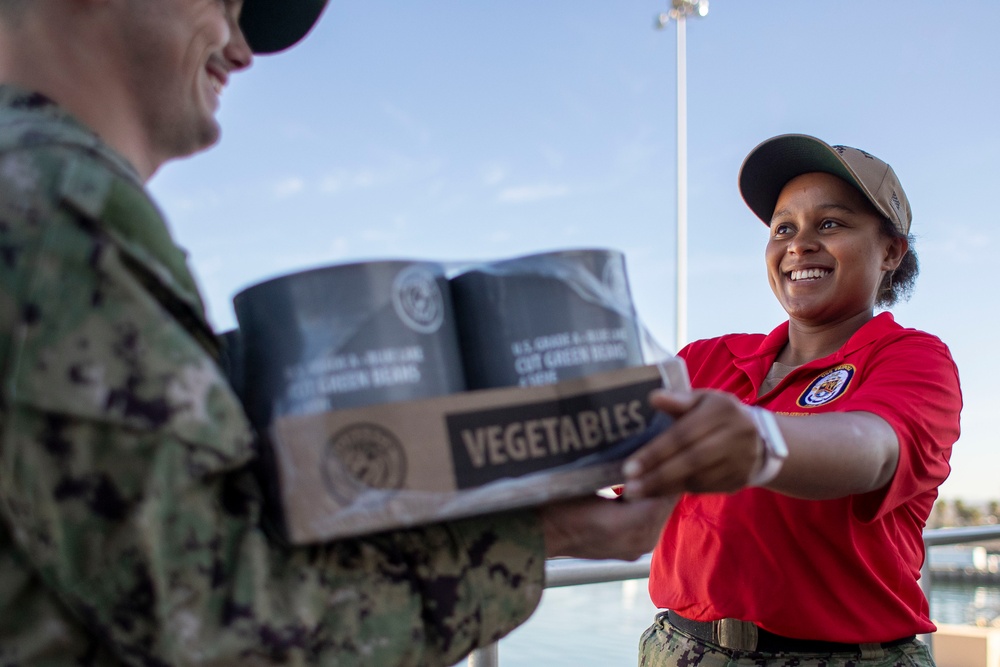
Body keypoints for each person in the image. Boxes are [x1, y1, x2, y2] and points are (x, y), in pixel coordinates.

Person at [0, 0, 678, 664]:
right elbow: (224, 631)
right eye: (225, 2)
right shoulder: (61, 207)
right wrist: (546, 530)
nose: (241, 48)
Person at [621, 134, 962, 667]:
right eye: (783, 228)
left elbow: (873, 447)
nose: (798, 244)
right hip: (678, 649)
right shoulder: (705, 361)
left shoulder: (913, 358)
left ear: (892, 250)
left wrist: (755, 441)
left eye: (830, 224)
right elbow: (612, 463)